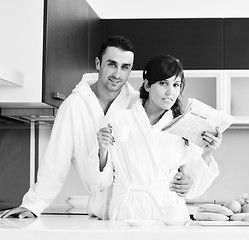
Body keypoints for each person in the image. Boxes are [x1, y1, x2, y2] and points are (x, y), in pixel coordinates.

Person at [0, 36, 193, 219]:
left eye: (125, 67)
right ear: (98, 64)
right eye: (111, 64)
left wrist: (185, 175)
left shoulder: (137, 105)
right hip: (101, 211)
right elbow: (55, 161)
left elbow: (163, 149)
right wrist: (33, 205)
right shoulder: (74, 106)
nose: (118, 74)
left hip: (138, 212)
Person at [92, 55, 221, 221]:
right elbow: (101, 180)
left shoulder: (183, 126)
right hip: (128, 210)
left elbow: (193, 185)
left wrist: (207, 154)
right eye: (163, 83)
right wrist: (102, 149)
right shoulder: (119, 120)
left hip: (168, 212)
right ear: (147, 85)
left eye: (176, 85)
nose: (170, 91)